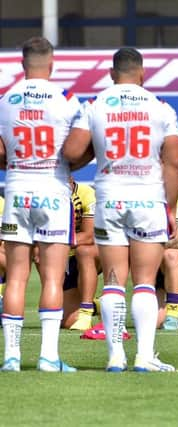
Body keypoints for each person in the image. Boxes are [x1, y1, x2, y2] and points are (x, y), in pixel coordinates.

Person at [62, 47, 178, 372]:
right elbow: (172, 163)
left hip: (109, 199)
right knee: (144, 281)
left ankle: (115, 356)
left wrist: (96, 154)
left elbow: (72, 152)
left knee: (113, 280)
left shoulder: (95, 104)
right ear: (142, 73)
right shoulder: (161, 108)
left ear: (112, 75)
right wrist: (169, 208)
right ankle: (145, 356)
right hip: (147, 200)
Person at [0, 37, 80, 372]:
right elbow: (77, 151)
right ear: (51, 64)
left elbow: (1, 155)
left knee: (16, 277)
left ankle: (11, 357)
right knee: (51, 278)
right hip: (53, 190)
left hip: (17, 190)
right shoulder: (67, 100)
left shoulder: (5, 100)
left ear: (22, 64)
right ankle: (48, 357)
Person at [62, 177, 101, 330]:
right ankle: (100, 305)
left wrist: (56, 242)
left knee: (84, 251)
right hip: (63, 257)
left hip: (90, 252)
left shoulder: (87, 193)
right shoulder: (45, 194)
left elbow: (89, 236)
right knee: (67, 322)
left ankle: (86, 311)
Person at [155, 188, 178, 330]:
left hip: (166, 253)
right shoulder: (132, 190)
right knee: (154, 323)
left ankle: (173, 312)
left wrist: (148, 248)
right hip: (143, 259)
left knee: (170, 255)